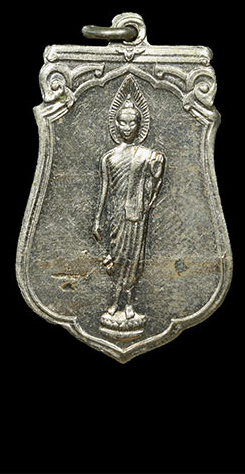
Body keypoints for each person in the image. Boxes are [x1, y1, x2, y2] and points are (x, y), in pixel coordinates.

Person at [93, 98, 165, 325]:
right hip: (116, 215)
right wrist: (97, 219)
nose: (127, 128)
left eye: (132, 123)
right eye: (122, 123)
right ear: (116, 124)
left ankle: (129, 304)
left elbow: (155, 180)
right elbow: (104, 190)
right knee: (117, 258)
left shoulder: (147, 155)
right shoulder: (109, 157)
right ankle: (116, 302)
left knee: (133, 259)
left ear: (139, 125)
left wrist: (156, 168)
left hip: (136, 215)